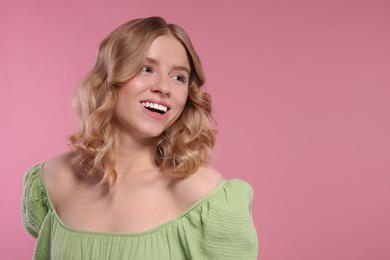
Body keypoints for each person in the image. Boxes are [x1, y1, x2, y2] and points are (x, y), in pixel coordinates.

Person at [21, 16, 258, 259]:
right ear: (108, 77)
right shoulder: (54, 180)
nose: (164, 88)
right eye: (147, 69)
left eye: (178, 77)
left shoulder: (202, 194)